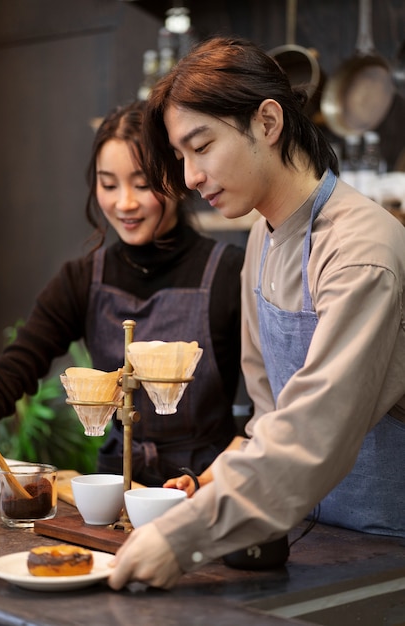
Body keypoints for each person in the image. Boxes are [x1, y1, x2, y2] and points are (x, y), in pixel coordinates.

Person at [107, 36, 405, 591]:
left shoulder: (362, 251)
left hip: (385, 555)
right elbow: (268, 421)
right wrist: (209, 485)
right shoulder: (263, 240)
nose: (191, 177)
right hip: (309, 542)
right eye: (180, 157)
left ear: (267, 122)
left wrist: (183, 536)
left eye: (201, 146)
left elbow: (316, 432)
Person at [0, 100, 245, 486]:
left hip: (208, 487)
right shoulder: (81, 278)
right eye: (109, 184)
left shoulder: (228, 272)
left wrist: (210, 481)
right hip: (116, 487)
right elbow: (14, 369)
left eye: (142, 184)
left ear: (178, 177)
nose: (124, 203)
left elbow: (273, 411)